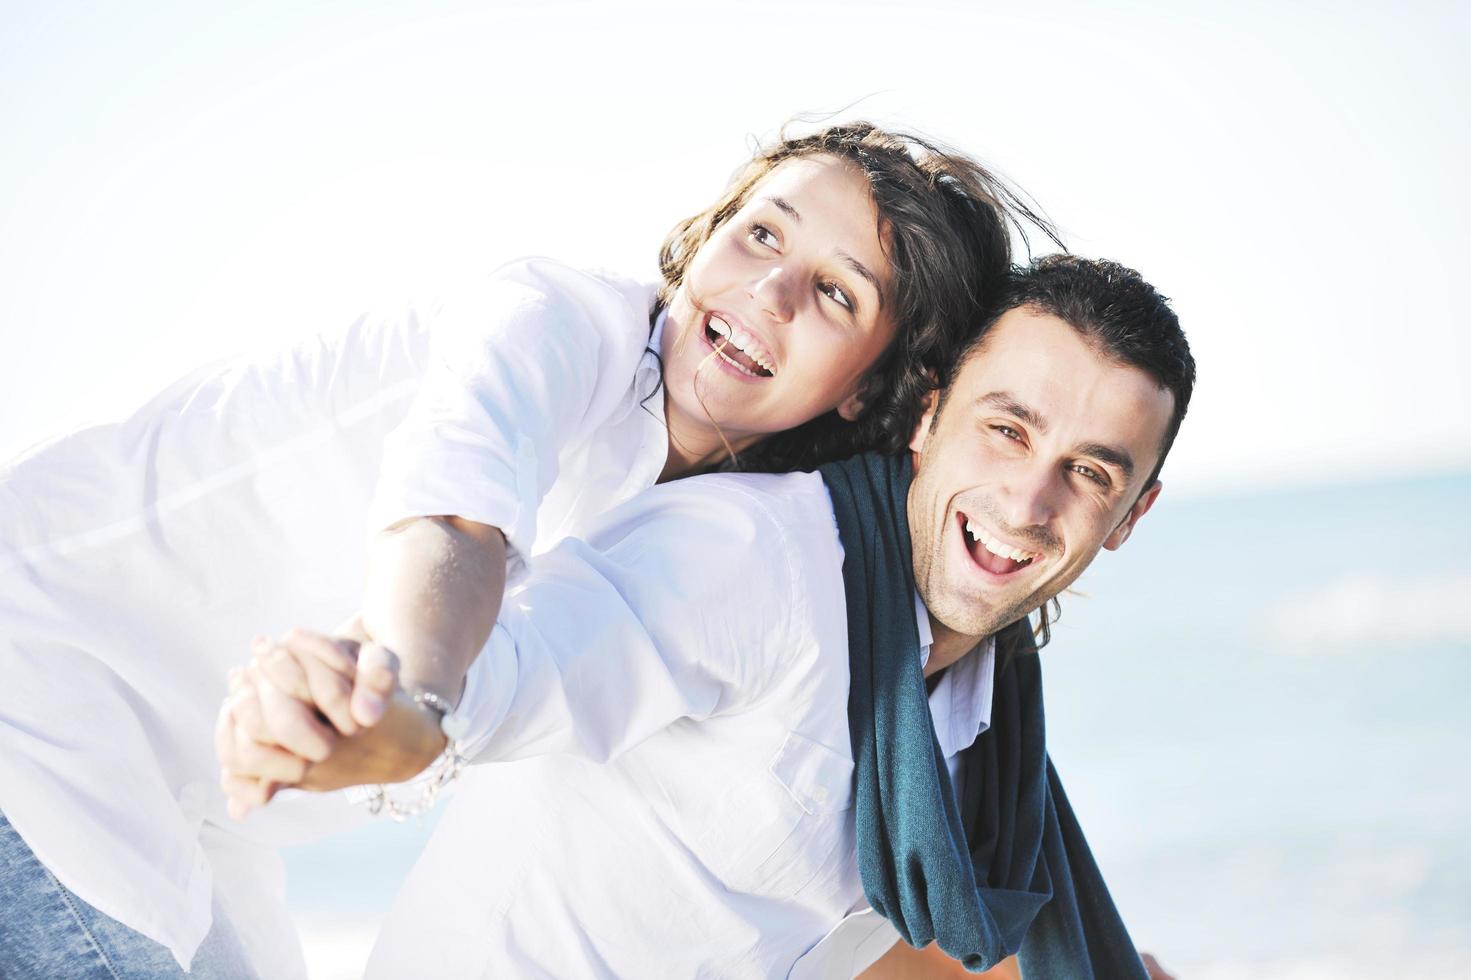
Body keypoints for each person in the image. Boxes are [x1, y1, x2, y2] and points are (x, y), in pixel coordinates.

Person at [0, 122, 1048, 978]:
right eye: (760, 236)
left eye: (835, 293)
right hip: (41, 684)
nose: (765, 294)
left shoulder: (758, 532)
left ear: (872, 386)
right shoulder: (550, 326)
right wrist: (404, 696)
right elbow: (454, 526)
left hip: (203, 809)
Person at [226, 254, 1196, 977]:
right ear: (927, 417)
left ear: (1132, 513)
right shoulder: (753, 557)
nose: (1027, 501)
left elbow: (814, 931)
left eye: (1089, 469)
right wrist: (367, 712)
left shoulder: (981, 711)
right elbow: (500, 671)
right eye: (1005, 428)